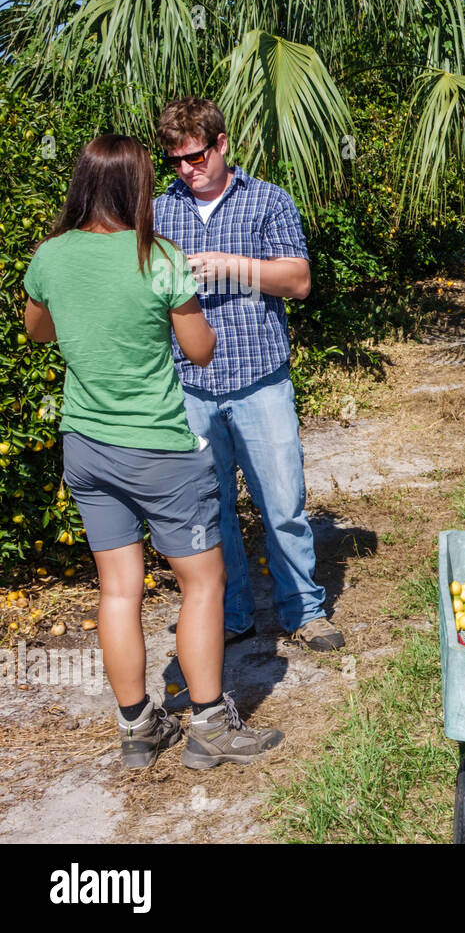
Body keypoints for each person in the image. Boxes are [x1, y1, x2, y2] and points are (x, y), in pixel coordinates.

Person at [23, 134, 283, 769]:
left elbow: (38, 331)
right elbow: (201, 351)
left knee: (119, 590)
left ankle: (138, 726)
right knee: (202, 584)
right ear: (132, 187)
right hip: (161, 448)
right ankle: (211, 726)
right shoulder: (159, 257)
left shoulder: (50, 257)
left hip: (85, 444)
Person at [152, 97, 344, 651]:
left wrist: (234, 267)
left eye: (196, 156)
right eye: (176, 160)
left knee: (282, 504)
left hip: (260, 380)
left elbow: (300, 280)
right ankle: (231, 615)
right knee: (209, 513)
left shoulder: (267, 201)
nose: (188, 168)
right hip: (187, 385)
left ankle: (303, 611)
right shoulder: (160, 211)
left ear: (222, 144)